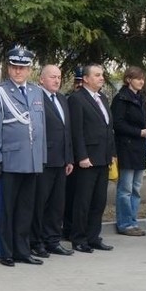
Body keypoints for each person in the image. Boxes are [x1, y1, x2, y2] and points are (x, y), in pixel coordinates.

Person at [0, 47, 47, 266]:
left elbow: (41, 128)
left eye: (22, 68)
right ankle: (6, 252)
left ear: (30, 70)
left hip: (31, 160)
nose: (18, 71)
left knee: (25, 209)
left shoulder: (36, 92)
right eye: (14, 67)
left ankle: (23, 250)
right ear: (9, 68)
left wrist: (41, 157)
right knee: (8, 209)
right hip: (10, 160)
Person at [68, 64, 115, 253]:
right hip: (87, 159)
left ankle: (93, 236)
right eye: (97, 75)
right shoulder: (77, 99)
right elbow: (76, 131)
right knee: (83, 201)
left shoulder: (102, 98)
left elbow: (107, 128)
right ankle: (78, 238)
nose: (101, 78)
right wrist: (82, 156)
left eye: (102, 75)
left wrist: (111, 153)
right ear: (86, 79)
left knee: (99, 201)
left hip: (103, 157)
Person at [32, 65, 74, 257]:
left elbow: (67, 131)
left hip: (61, 160)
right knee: (40, 203)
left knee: (57, 205)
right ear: (41, 79)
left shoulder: (62, 99)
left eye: (59, 77)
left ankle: (53, 240)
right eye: (52, 77)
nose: (56, 80)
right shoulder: (35, 98)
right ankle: (36, 241)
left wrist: (69, 158)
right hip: (44, 159)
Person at [111, 66, 146, 237]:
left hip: (139, 147)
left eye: (143, 78)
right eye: (137, 78)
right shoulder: (121, 99)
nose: (141, 81)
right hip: (126, 148)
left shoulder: (140, 98)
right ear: (128, 80)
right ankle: (125, 223)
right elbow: (117, 124)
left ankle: (133, 221)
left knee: (136, 188)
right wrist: (138, 132)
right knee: (125, 188)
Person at [61, 66, 85, 240]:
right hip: (71, 154)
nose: (79, 85)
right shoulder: (69, 99)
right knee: (69, 195)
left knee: (78, 194)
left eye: (81, 82)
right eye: (77, 82)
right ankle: (67, 228)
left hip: (80, 154)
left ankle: (72, 228)